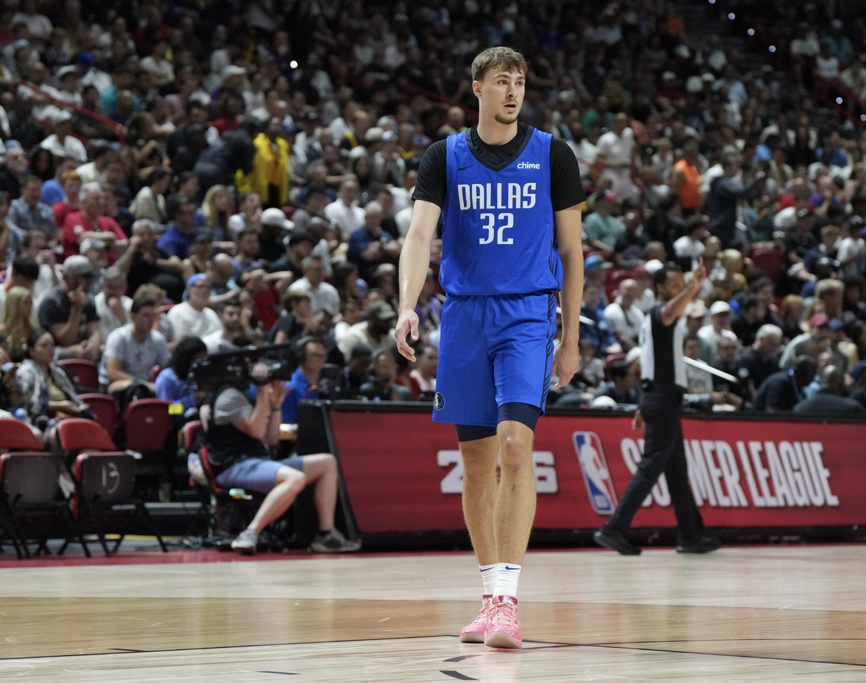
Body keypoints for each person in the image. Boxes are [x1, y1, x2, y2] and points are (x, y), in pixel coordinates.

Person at [394, 47, 584, 650]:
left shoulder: (552, 153)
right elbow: (418, 235)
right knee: (475, 463)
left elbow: (572, 251)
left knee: (515, 444)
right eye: (502, 81)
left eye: (520, 81)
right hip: (465, 315)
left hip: (527, 313)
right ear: (477, 88)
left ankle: (507, 600)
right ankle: (487, 597)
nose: (513, 91)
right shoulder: (443, 156)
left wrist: (572, 337)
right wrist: (407, 304)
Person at [593, 262, 721, 558]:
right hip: (663, 396)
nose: (678, 289)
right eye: (673, 285)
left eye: (680, 284)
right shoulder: (660, 313)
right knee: (651, 465)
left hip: (659, 397)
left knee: (677, 471)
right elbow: (669, 312)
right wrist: (693, 288)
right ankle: (614, 527)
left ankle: (690, 535)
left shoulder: (655, 320)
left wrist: (644, 405)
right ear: (661, 287)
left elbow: (651, 364)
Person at [199, 357, 360, 555]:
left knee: (326, 462)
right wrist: (262, 391)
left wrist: (275, 406)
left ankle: (326, 535)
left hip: (255, 463)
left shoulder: (242, 394)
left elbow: (271, 439)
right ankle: (250, 533)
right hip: (233, 466)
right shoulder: (229, 396)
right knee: (295, 477)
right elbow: (257, 431)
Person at [99, 298, 170, 393]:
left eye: (153, 315)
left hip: (146, 386)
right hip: (116, 386)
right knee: (136, 389)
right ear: (133, 317)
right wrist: (141, 383)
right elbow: (112, 373)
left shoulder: (158, 339)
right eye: (146, 315)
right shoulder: (118, 337)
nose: (150, 320)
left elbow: (167, 368)